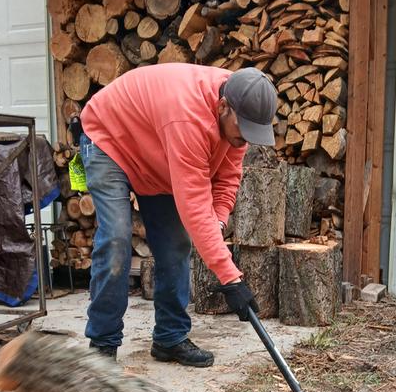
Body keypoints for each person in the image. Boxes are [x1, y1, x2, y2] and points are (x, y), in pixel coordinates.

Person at [78, 63, 278, 365]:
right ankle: (102, 345)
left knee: (175, 245)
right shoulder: (188, 117)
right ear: (223, 107)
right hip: (110, 142)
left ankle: (169, 338)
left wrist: (218, 220)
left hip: (157, 152)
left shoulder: (240, 118)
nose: (246, 138)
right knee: (117, 238)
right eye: (243, 129)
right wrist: (231, 279)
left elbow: (227, 179)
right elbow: (194, 206)